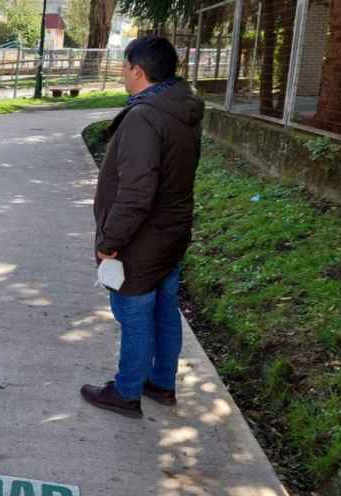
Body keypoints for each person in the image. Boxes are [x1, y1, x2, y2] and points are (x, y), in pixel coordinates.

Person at [80, 36, 205, 418]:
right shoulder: (181, 108)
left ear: (138, 70)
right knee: (165, 310)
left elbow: (135, 192)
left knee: (134, 315)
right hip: (171, 233)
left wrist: (110, 241)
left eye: (123, 67)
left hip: (142, 241)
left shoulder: (145, 116)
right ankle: (161, 383)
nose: (121, 73)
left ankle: (126, 391)